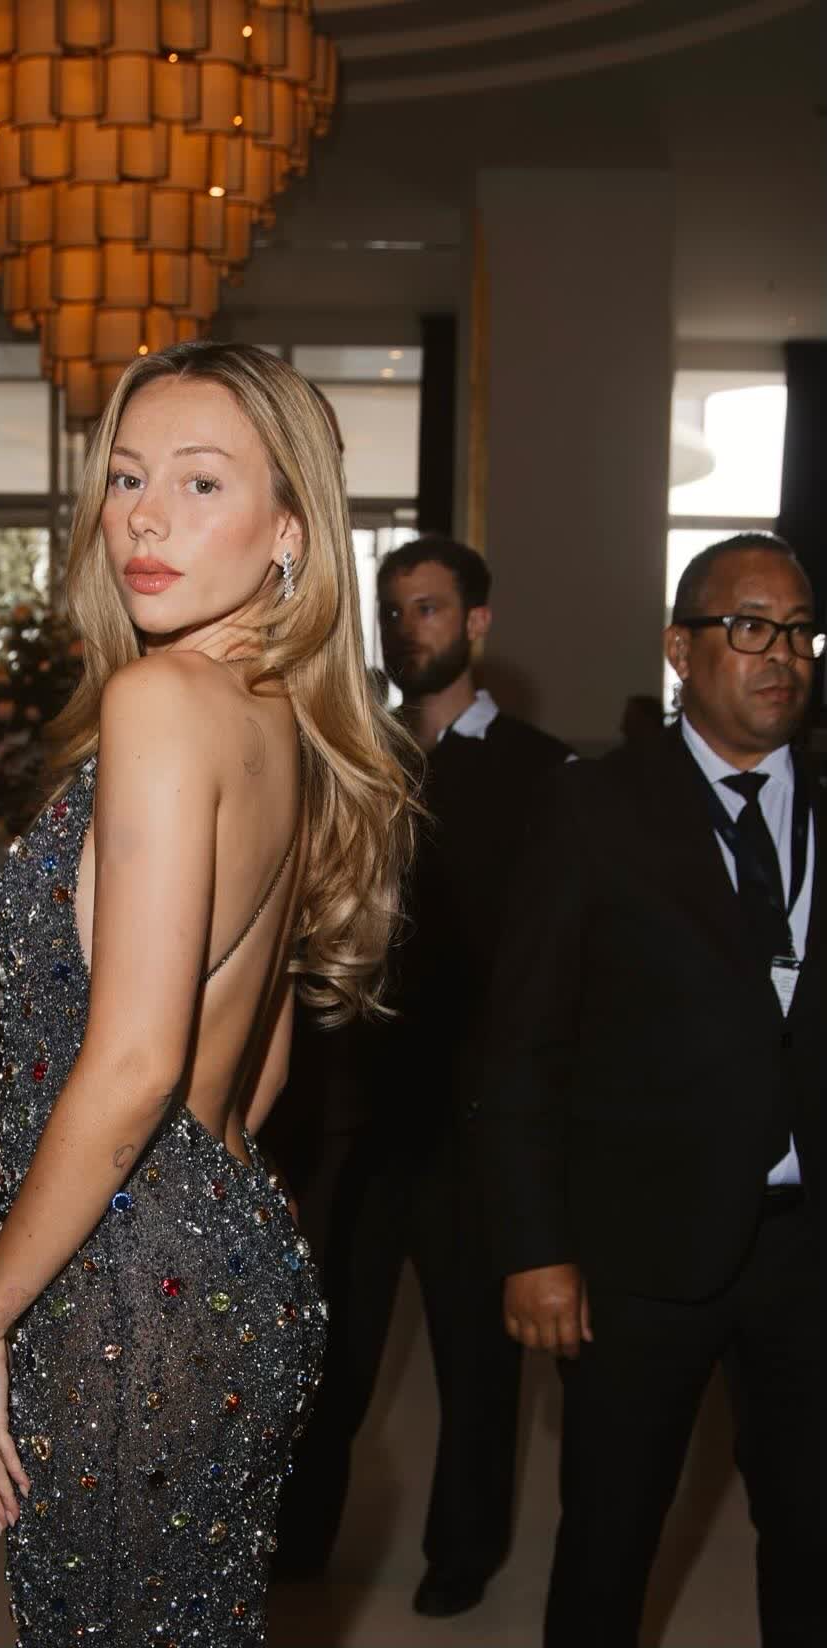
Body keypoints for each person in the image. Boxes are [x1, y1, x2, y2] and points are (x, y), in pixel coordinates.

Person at [0, 341, 418, 1644]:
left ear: (289, 529)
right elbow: (256, 1074)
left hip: (123, 1286)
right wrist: (191, 1241)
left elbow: (136, 1061)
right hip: (230, 1261)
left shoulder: (161, 700)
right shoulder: (280, 719)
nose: (143, 518)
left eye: (200, 482)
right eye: (125, 477)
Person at [480, 532, 827, 1646]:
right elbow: (521, 1044)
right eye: (748, 627)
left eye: (799, 631)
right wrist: (534, 1247)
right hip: (638, 1252)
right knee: (609, 1536)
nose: (781, 654)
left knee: (813, 1535)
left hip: (807, 1253)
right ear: (680, 650)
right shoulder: (591, 807)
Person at [273, 536, 572, 1615]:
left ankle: (462, 1553)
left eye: (430, 609)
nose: (408, 630)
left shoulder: (543, 772)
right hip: (360, 1112)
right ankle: (298, 1539)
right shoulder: (358, 754)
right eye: (394, 611)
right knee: (329, 1347)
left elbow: (550, 957)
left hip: (477, 1120)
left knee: (474, 1357)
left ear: (476, 623)